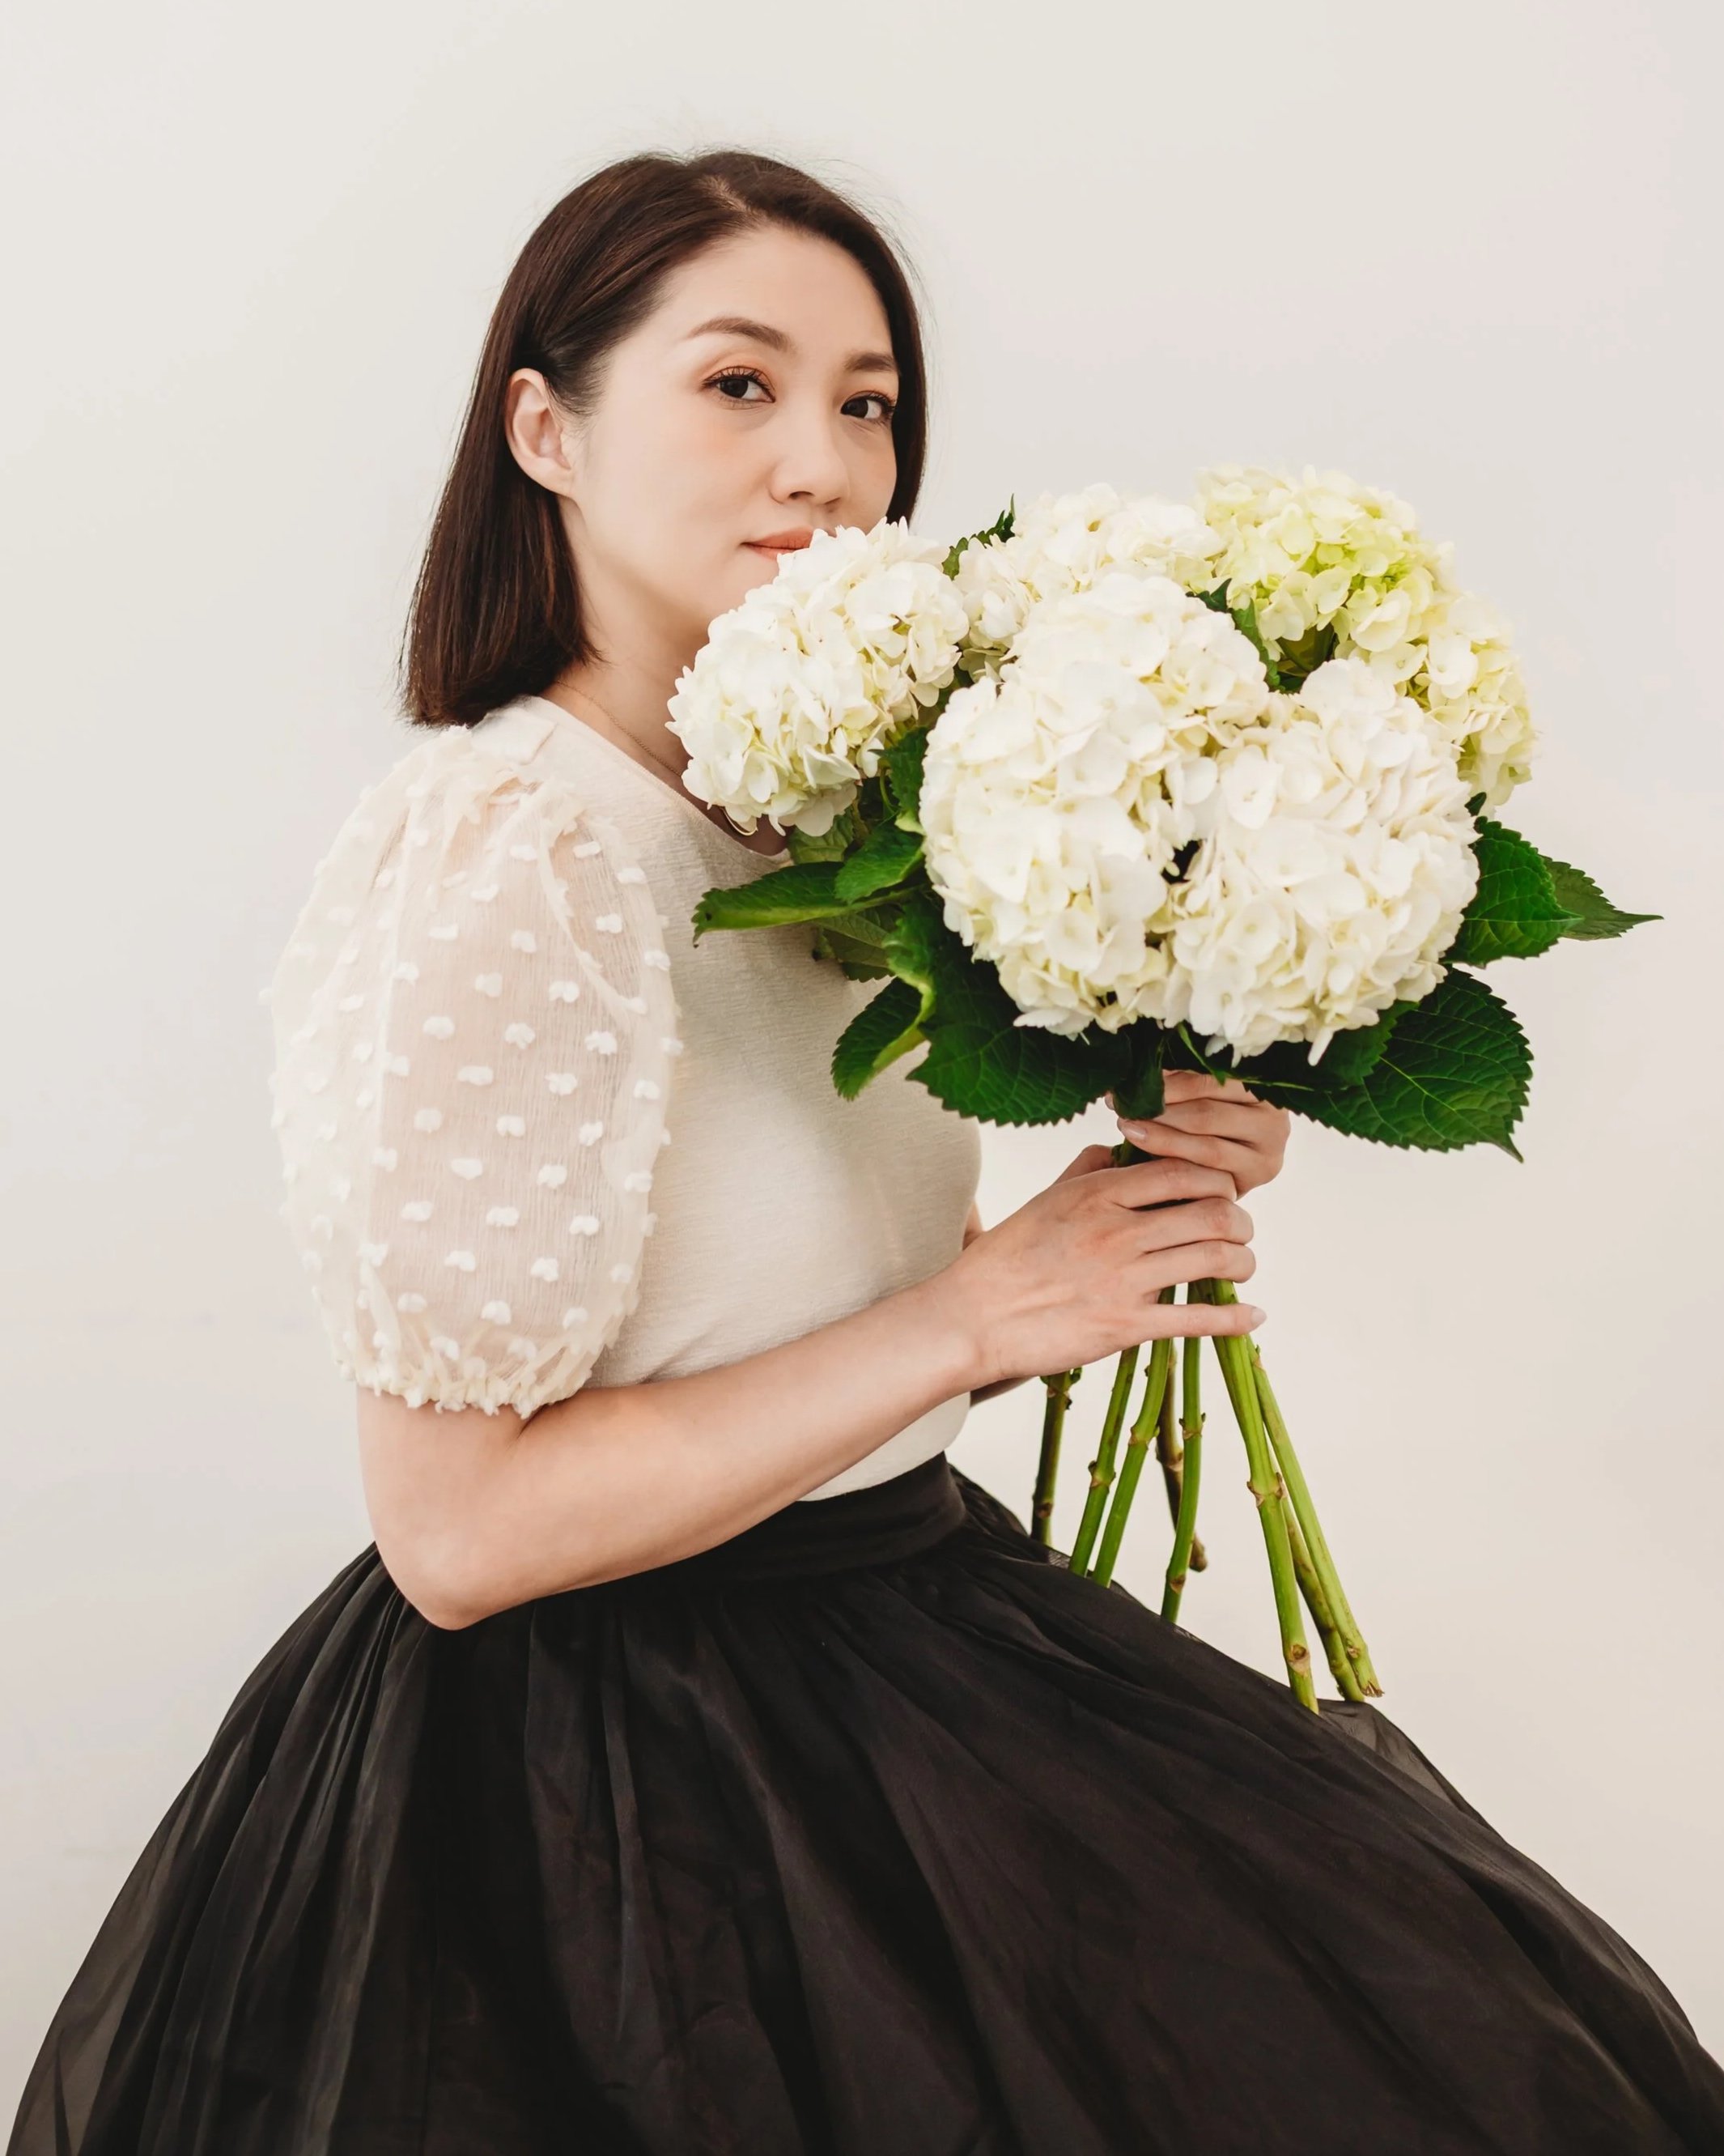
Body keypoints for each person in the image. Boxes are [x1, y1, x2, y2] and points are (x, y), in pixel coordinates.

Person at [9, 147, 1722, 2156]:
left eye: (868, 400)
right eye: (739, 385)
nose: (819, 460)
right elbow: (458, 1539)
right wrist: (980, 1319)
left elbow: (760, 1269)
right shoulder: (519, 854)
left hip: (904, 1621)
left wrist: (1143, 1149)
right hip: (600, 1779)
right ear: (543, 427)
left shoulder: (829, 826)